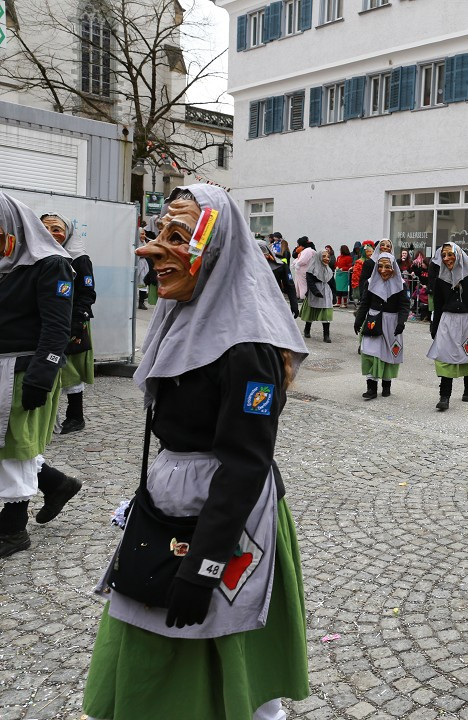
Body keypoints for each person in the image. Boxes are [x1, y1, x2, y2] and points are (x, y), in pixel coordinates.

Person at [82, 184, 309, 720]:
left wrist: (204, 567)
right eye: (157, 233)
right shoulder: (184, 318)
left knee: (223, 650)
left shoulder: (247, 347)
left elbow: (245, 464)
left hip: (226, 519)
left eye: (177, 236)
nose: (151, 250)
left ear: (216, 248)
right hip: (172, 503)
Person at [0, 192, 82, 558]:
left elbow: (56, 326)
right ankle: (57, 483)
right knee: (9, 444)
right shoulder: (5, 265)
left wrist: (42, 374)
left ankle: (13, 529)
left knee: (15, 446)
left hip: (24, 370)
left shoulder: (52, 265)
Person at [40, 212, 96, 435]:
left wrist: (77, 319)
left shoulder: (79, 259)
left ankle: (75, 416)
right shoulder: (36, 255)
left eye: (56, 229)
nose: (51, 234)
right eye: (45, 228)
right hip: (46, 321)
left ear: (68, 232)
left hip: (72, 321)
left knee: (70, 369)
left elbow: (87, 292)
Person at [427, 242, 468, 411]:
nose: (446, 259)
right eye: (443, 255)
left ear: (458, 255)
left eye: (450, 254)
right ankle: (444, 397)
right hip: (447, 320)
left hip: (467, 320)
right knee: (445, 357)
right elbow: (438, 303)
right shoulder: (441, 277)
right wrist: (435, 324)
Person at [355, 252, 409, 400]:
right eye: (380, 266)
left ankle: (386, 385)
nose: (383, 270)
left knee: (388, 353)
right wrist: (359, 320)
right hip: (374, 320)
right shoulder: (370, 282)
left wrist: (401, 322)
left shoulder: (401, 284)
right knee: (371, 353)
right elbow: (365, 302)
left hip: (392, 322)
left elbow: (405, 305)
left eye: (387, 266)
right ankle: (371, 388)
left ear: (393, 267)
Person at [300, 247, 334, 343]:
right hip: (314, 294)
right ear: (319, 257)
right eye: (324, 256)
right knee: (311, 313)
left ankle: (326, 335)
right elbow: (310, 282)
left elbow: (332, 283)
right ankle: (307, 329)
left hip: (325, 294)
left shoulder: (329, 270)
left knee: (326, 315)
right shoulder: (311, 269)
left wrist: (334, 295)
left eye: (328, 257)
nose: (327, 258)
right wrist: (315, 292)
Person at [260, 240, 300, 318]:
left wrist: (294, 305)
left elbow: (290, 286)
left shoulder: (280, 265)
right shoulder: (247, 267)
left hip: (274, 301)